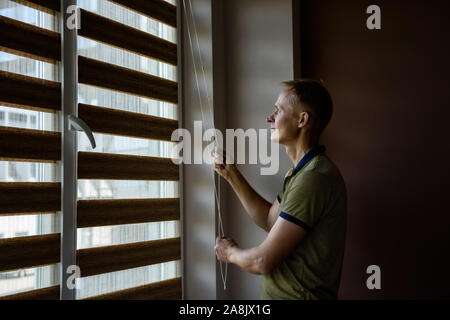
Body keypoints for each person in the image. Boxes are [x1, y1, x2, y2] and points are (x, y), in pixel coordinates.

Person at [213, 79, 347, 300]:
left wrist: (230, 253)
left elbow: (262, 261)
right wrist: (230, 174)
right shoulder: (300, 174)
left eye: (277, 111)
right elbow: (269, 219)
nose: (270, 118)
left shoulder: (313, 178)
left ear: (302, 120)